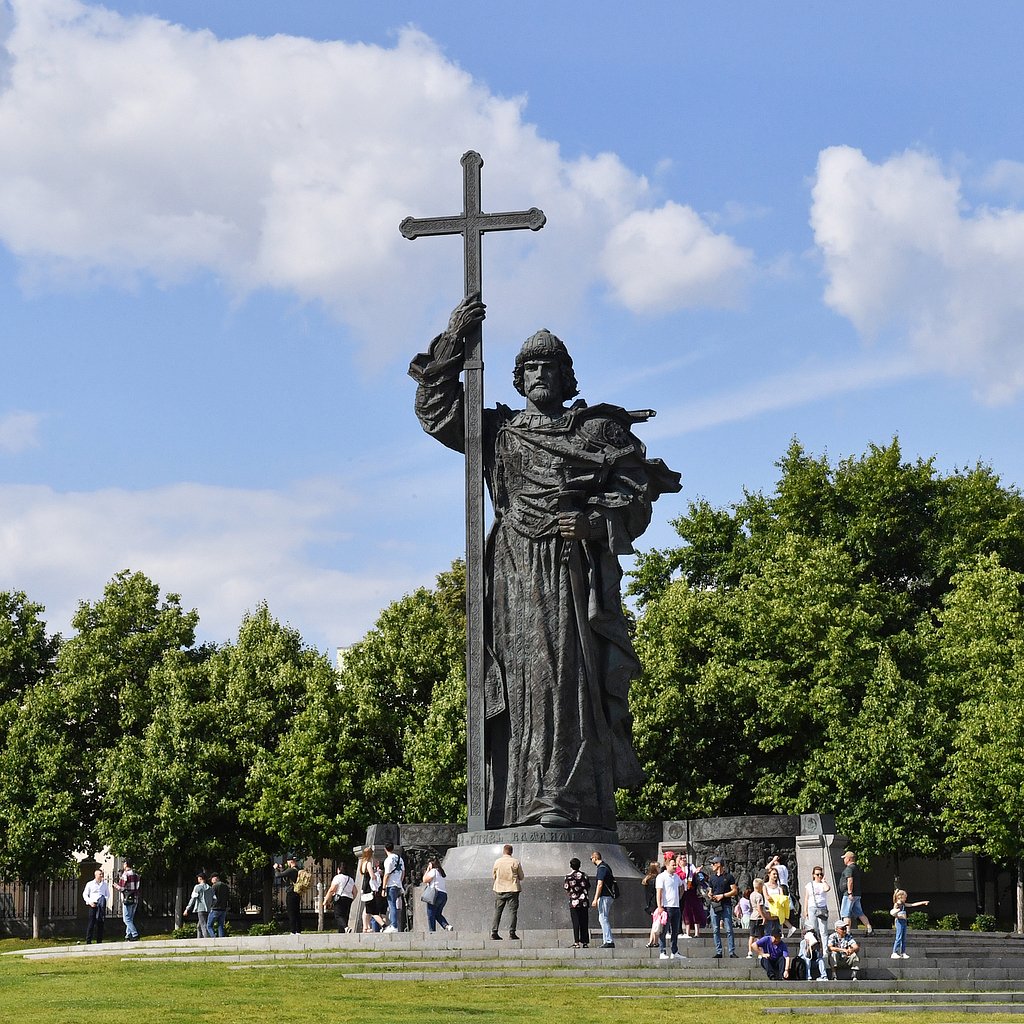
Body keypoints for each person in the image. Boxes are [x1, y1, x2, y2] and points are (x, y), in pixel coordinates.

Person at [410, 295, 681, 830]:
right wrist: (451, 343)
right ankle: (514, 802)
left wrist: (593, 523)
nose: (539, 374)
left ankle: (562, 795)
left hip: (566, 565)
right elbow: (435, 411)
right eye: (530, 366)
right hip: (511, 566)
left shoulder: (593, 433)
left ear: (565, 375)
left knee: (561, 677)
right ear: (517, 376)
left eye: (549, 366)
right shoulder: (498, 431)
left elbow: (636, 495)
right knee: (516, 681)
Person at [706, 854, 738, 958]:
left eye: (713, 864)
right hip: (715, 905)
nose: (712, 866)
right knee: (715, 929)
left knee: (729, 929)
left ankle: (731, 951)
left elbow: (734, 891)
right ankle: (718, 951)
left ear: (719, 864)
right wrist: (710, 894)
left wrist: (723, 896)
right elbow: (710, 890)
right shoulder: (712, 878)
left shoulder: (729, 877)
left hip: (726, 905)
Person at [491, 844, 524, 940]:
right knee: (513, 912)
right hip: (512, 889)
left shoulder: (497, 862)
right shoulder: (515, 862)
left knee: (497, 911)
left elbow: (494, 876)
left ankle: (494, 932)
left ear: (503, 851)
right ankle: (512, 932)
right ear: (511, 852)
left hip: (499, 889)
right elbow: (521, 877)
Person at [656, 853, 685, 960]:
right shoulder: (661, 877)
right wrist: (660, 906)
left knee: (675, 930)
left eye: (675, 865)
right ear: (667, 865)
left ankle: (674, 951)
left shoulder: (676, 877)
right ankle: (662, 951)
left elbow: (681, 887)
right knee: (663, 930)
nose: (675, 867)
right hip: (666, 907)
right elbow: (659, 892)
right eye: (673, 865)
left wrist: (678, 897)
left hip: (676, 907)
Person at [839, 850, 872, 934]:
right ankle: (869, 929)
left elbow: (850, 880)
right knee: (859, 912)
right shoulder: (856, 868)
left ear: (849, 859)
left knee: (845, 913)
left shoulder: (849, 868)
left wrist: (850, 893)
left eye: (845, 858)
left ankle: (847, 931)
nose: (844, 860)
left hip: (849, 895)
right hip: (857, 894)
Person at [890, 888, 929, 959]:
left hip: (904, 922)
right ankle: (894, 952)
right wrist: (899, 916)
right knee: (898, 937)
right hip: (899, 922)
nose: (906, 899)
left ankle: (903, 952)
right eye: (905, 897)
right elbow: (893, 913)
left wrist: (923, 902)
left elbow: (912, 905)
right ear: (901, 897)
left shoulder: (903, 904)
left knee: (903, 938)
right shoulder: (897, 904)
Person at [357, 847, 386, 933]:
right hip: (369, 888)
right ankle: (383, 925)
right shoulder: (368, 863)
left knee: (366, 908)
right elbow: (372, 876)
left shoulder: (362, 863)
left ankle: (365, 927)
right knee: (373, 909)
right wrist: (377, 874)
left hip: (365, 887)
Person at [590, 850, 616, 948]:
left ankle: (609, 941)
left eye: (591, 858)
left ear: (595, 858)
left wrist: (595, 899)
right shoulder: (607, 866)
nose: (591, 860)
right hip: (608, 896)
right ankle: (606, 940)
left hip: (604, 896)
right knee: (602, 918)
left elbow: (600, 884)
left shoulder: (601, 868)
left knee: (603, 918)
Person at [563, 857, 590, 948]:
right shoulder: (584, 875)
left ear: (571, 866)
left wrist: (573, 894)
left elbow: (566, 888)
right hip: (584, 901)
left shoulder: (568, 877)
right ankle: (585, 942)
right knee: (584, 921)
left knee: (576, 922)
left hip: (574, 902)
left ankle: (576, 942)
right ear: (580, 865)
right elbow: (588, 886)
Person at [422, 858, 454, 933]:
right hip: (443, 895)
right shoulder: (441, 873)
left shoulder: (434, 871)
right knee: (437, 913)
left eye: (429, 864)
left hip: (435, 895)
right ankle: (447, 926)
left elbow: (424, 880)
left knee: (431, 913)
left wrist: (427, 870)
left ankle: (432, 931)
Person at [803, 865, 831, 951]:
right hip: (812, 908)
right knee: (813, 929)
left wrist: (824, 881)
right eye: (817, 874)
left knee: (823, 931)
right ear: (813, 875)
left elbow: (827, 889)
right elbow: (806, 898)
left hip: (822, 908)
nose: (819, 876)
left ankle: (825, 950)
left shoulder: (823, 884)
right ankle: (815, 949)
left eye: (821, 874)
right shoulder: (809, 884)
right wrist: (805, 910)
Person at [112, 858, 140, 943]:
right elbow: (138, 886)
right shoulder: (136, 874)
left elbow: (122, 888)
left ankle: (135, 934)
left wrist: (116, 886)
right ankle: (128, 935)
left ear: (126, 864)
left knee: (126, 919)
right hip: (135, 898)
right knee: (130, 918)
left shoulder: (125, 874)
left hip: (127, 899)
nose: (123, 865)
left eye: (124, 864)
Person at [273, 855, 302, 934]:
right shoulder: (299, 870)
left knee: (291, 912)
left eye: (288, 861)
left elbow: (278, 875)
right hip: (297, 892)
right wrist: (281, 869)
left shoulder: (291, 870)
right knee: (297, 912)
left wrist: (276, 868)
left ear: (291, 861)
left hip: (291, 893)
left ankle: (293, 931)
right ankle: (298, 930)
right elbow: (286, 877)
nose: (287, 863)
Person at [323, 863, 355, 934]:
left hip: (340, 898)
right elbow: (355, 891)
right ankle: (342, 932)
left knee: (338, 915)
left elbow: (332, 889)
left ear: (339, 869)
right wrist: (352, 898)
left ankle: (346, 928)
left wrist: (326, 900)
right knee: (345, 916)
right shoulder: (351, 879)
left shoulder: (338, 877)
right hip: (348, 898)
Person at [381, 842, 406, 933]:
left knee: (392, 906)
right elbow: (403, 872)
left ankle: (394, 925)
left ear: (385, 849)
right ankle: (394, 924)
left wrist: (383, 888)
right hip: (398, 884)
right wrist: (400, 882)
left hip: (391, 885)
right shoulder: (400, 858)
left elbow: (386, 875)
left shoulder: (388, 860)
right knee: (394, 905)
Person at [680, 858, 707, 938]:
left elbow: (695, 875)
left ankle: (696, 932)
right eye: (681, 858)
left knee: (695, 911)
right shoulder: (677, 868)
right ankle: (687, 932)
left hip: (692, 891)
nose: (683, 860)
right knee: (686, 912)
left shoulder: (691, 866)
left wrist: (697, 872)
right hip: (683, 892)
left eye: (684, 858)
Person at [83, 868, 110, 944]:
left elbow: (107, 894)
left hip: (101, 905)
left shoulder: (105, 884)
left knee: (100, 922)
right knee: (91, 922)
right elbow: (85, 894)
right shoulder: (90, 884)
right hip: (93, 904)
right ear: (96, 875)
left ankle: (99, 940)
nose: (101, 875)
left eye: (102, 874)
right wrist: (89, 902)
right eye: (100, 874)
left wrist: (103, 900)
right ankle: (88, 940)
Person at [183, 872, 212, 938]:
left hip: (200, 909)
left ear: (200, 878)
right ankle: (199, 939)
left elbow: (193, 898)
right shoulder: (210, 888)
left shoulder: (197, 887)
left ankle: (207, 940)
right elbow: (215, 899)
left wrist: (187, 909)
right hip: (208, 909)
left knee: (203, 925)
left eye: (198, 878)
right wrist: (211, 905)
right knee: (199, 926)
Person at [642, 861, 662, 948]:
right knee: (656, 923)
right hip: (656, 903)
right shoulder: (655, 880)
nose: (660, 868)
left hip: (651, 903)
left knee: (656, 922)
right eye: (658, 867)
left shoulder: (648, 879)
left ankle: (655, 941)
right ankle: (651, 941)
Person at [764, 866, 790, 934]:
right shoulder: (765, 886)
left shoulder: (779, 888)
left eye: (776, 874)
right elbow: (767, 897)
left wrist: (775, 899)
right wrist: (777, 899)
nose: (775, 876)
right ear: (769, 874)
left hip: (778, 912)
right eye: (774, 874)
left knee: (777, 933)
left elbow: (782, 899)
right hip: (768, 910)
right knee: (768, 931)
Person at [748, 877, 769, 958]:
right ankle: (760, 952)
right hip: (758, 917)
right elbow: (759, 907)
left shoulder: (751, 894)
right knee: (760, 936)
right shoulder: (759, 896)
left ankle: (750, 951)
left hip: (752, 917)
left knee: (752, 935)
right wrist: (764, 917)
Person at [207, 872, 229, 938]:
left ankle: (213, 938)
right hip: (223, 908)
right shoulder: (225, 886)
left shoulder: (214, 886)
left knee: (209, 925)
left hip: (215, 908)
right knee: (221, 925)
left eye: (211, 879)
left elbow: (212, 897)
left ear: (215, 878)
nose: (211, 881)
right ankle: (221, 939)